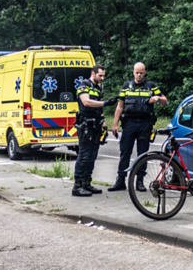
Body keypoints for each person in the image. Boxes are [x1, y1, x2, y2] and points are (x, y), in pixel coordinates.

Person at [108, 63, 168, 192]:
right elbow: (120, 106)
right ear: (133, 72)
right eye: (137, 72)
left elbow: (165, 101)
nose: (139, 75)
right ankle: (120, 180)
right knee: (125, 153)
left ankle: (139, 181)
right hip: (129, 123)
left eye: (141, 72)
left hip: (144, 123)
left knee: (143, 154)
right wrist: (115, 124)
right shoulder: (126, 87)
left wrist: (157, 98)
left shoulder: (151, 86)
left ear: (145, 72)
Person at [72, 65, 116, 197]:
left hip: (96, 125)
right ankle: (77, 186)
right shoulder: (84, 85)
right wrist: (105, 103)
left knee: (92, 156)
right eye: (100, 75)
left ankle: (86, 183)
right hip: (86, 125)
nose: (102, 78)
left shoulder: (97, 87)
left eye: (103, 75)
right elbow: (86, 102)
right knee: (84, 155)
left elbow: (98, 109)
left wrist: (103, 123)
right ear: (93, 73)